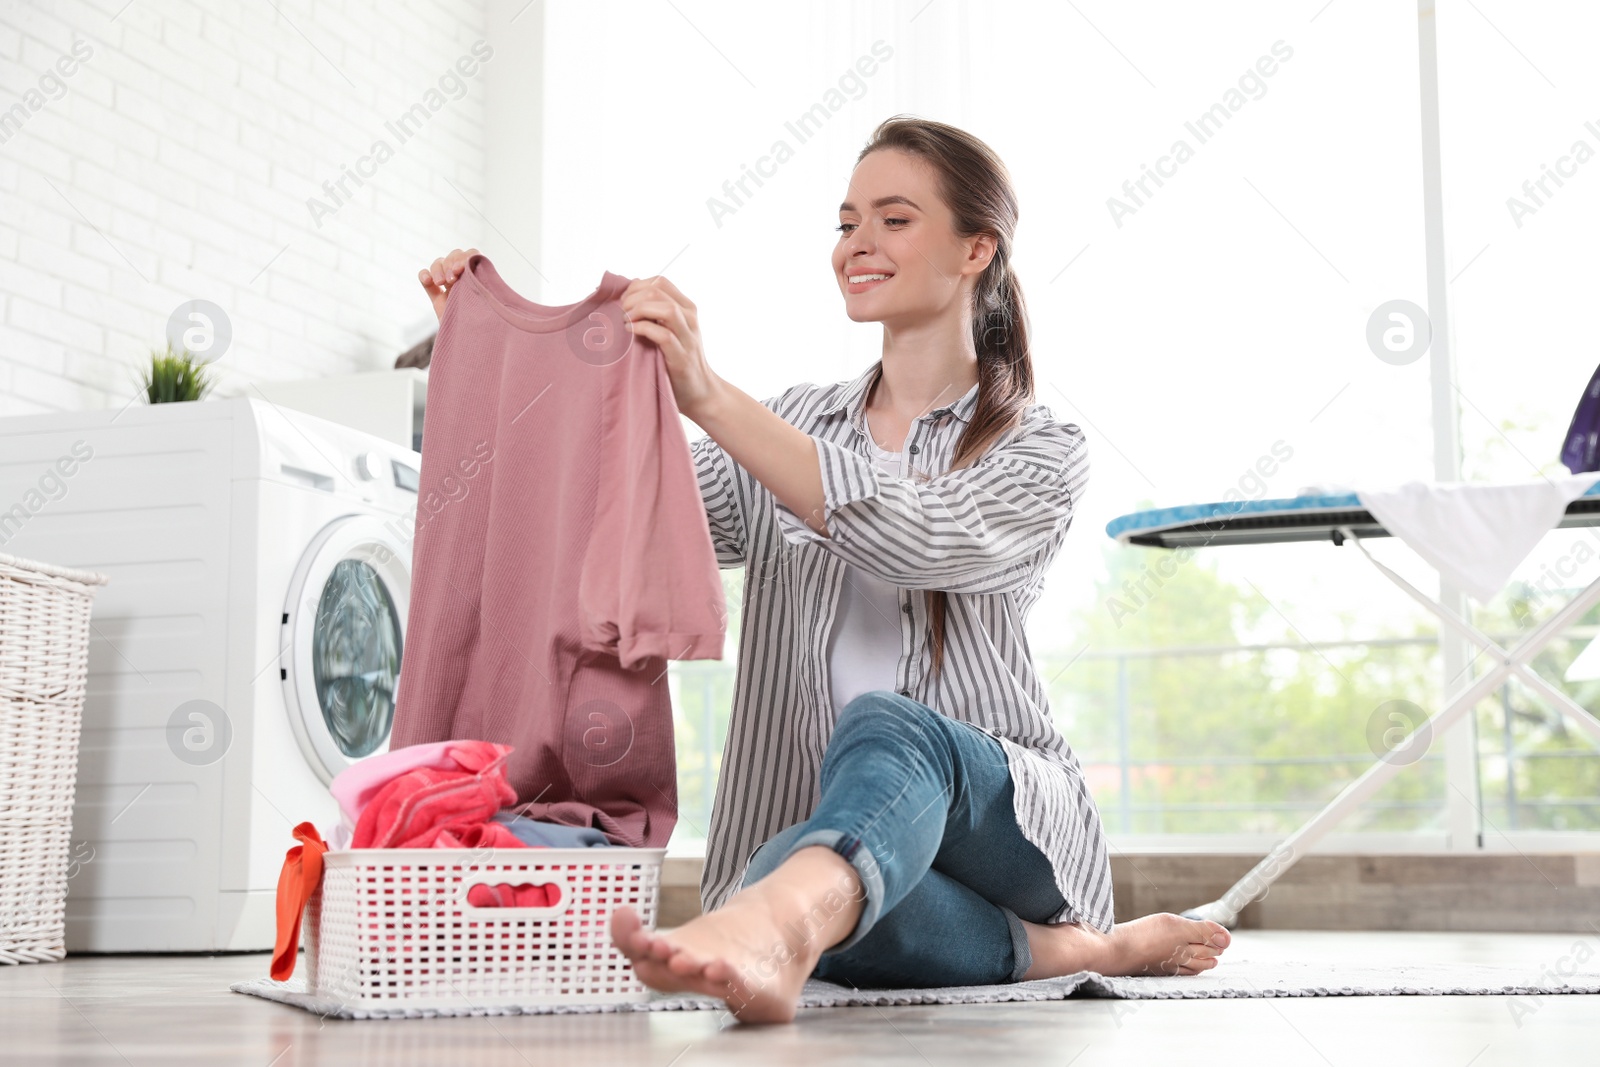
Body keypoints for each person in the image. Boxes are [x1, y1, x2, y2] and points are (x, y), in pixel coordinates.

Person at [418, 114, 1230, 1025]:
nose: (858, 244)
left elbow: (916, 534)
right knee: (793, 878)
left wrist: (709, 395)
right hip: (843, 842)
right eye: (846, 223)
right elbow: (619, 510)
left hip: (1004, 819)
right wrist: (490, 359)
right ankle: (1082, 948)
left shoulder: (1039, 446)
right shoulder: (793, 424)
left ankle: (799, 920)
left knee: (890, 728)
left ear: (977, 249)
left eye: (893, 218)